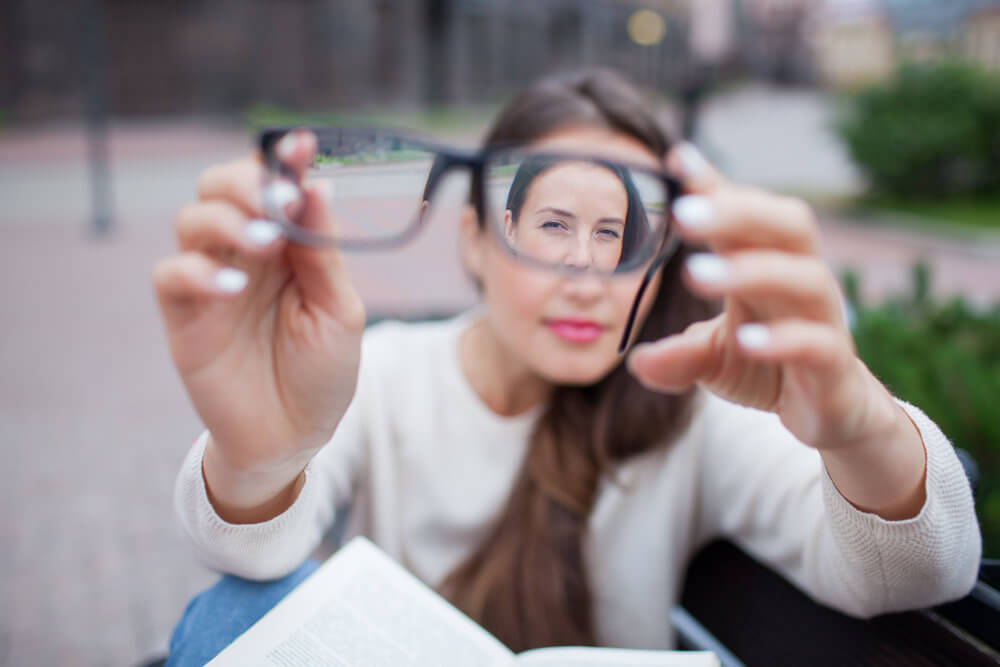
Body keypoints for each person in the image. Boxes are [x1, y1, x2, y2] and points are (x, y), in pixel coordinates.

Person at [154, 69, 981, 666]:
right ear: (475, 238)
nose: (587, 273)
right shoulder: (387, 375)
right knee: (232, 615)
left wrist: (858, 421)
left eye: (620, 232)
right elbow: (250, 556)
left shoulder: (688, 394)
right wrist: (261, 456)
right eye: (552, 223)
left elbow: (918, 572)